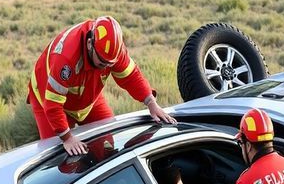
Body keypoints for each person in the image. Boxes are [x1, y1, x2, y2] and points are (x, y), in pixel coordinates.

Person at [28, 16, 176, 157]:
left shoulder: (113, 52)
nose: (104, 67)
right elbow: (53, 104)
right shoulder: (66, 59)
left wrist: (151, 102)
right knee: (60, 159)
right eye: (102, 62)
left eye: (109, 64)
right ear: (89, 44)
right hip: (47, 97)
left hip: (86, 94)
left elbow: (131, 76)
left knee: (107, 145)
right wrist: (67, 137)